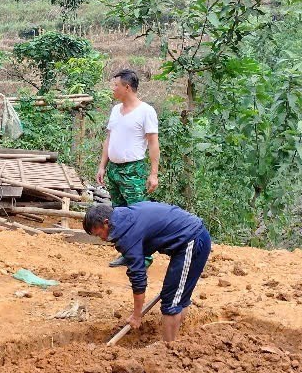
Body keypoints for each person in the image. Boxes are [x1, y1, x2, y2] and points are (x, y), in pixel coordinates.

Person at [83, 201, 212, 342]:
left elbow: (138, 278)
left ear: (106, 222)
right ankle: (174, 342)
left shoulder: (126, 235)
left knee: (172, 302)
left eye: (99, 234)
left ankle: (169, 351)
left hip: (192, 239)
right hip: (189, 237)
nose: (102, 239)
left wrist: (137, 315)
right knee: (176, 297)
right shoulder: (124, 216)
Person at [95, 69, 160, 266]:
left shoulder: (146, 111)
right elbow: (109, 139)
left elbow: (153, 143)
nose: (113, 89)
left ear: (127, 87)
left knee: (138, 214)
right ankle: (127, 253)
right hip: (114, 169)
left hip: (133, 170)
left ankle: (145, 257)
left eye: (116, 85)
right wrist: (102, 166)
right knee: (119, 214)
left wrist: (153, 173)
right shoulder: (116, 110)